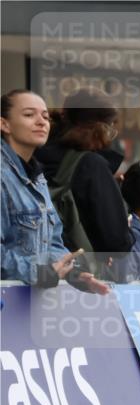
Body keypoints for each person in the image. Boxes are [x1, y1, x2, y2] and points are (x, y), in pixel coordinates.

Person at [1, 89, 106, 293]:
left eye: (45, 116)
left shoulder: (36, 175)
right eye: (29, 115)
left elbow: (53, 242)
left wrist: (73, 273)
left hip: (31, 306)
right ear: (4, 124)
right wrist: (41, 273)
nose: (41, 122)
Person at [35, 88, 132, 276]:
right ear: (99, 127)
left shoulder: (35, 154)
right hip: (82, 276)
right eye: (111, 127)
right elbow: (116, 242)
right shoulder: (91, 166)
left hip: (40, 270)